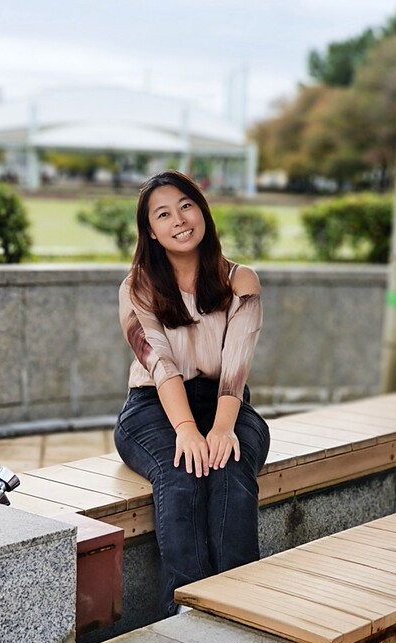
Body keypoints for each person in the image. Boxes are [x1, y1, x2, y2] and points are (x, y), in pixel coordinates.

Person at [114, 170, 270, 616]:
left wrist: (221, 429)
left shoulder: (241, 280)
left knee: (229, 465)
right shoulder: (137, 286)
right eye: (163, 214)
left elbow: (236, 365)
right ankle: (188, 611)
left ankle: (240, 606)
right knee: (181, 470)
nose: (179, 220)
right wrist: (185, 428)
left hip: (227, 403)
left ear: (202, 210)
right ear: (151, 231)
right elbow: (160, 364)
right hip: (153, 407)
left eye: (186, 206)